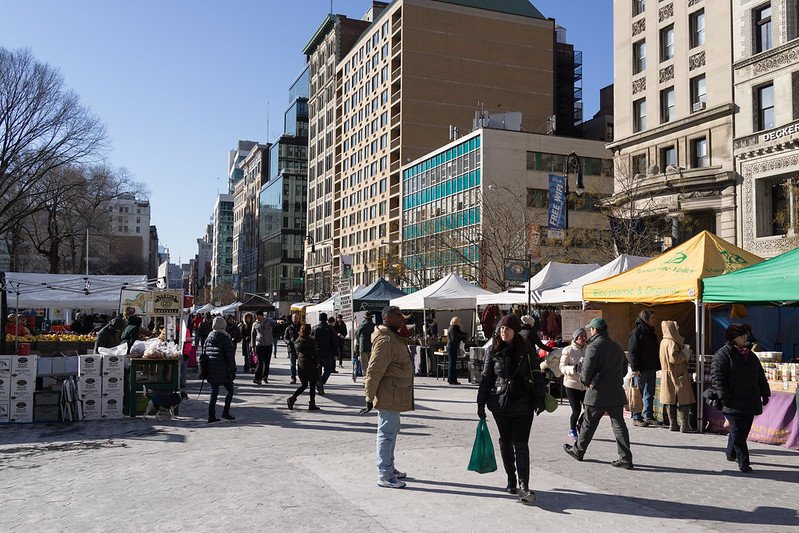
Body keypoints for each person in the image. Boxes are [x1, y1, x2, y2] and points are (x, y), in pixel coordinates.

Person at [476, 314, 545, 504]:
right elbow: (486, 378)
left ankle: (524, 485)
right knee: (506, 442)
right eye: (501, 328)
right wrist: (480, 403)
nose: (503, 331)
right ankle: (511, 478)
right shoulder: (492, 350)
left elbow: (537, 374)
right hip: (500, 403)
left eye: (507, 329)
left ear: (515, 331)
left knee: (521, 444)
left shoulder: (526, 349)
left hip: (523, 403)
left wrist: (540, 397)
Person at [564, 317, 633, 469]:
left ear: (595, 330)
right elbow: (624, 367)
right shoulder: (616, 346)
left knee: (588, 424)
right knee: (619, 426)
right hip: (615, 392)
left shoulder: (593, 347)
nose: (590, 332)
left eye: (591, 329)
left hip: (597, 393)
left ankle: (578, 451)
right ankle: (626, 458)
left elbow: (586, 373)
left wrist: (585, 381)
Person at [363, 306, 414, 489]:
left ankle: (389, 468)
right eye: (399, 317)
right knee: (386, 433)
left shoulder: (392, 336)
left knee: (391, 432)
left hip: (394, 393)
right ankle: (384, 474)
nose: (402, 320)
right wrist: (369, 396)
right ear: (388, 318)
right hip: (388, 393)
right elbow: (374, 370)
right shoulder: (385, 340)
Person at [711, 323, 770, 473]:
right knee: (738, 432)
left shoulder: (751, 355)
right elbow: (717, 378)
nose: (745, 338)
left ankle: (730, 453)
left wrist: (765, 393)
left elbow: (760, 376)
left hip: (749, 400)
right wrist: (724, 398)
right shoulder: (722, 355)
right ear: (733, 338)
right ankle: (743, 462)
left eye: (746, 335)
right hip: (732, 401)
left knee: (742, 432)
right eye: (742, 335)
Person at [659, 320, 696, 433]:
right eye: (676, 327)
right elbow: (674, 358)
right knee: (683, 399)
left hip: (668, 374)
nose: (678, 328)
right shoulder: (671, 343)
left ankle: (673, 424)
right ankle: (684, 425)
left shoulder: (663, 341)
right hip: (677, 374)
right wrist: (686, 352)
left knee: (671, 400)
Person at [628, 309, 660, 427]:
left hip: (651, 367)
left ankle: (649, 416)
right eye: (652, 318)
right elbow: (632, 352)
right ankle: (637, 417)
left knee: (650, 393)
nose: (654, 320)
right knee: (638, 393)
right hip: (640, 369)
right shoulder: (636, 333)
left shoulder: (651, 332)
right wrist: (635, 368)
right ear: (646, 319)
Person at [203, 316, 237, 423]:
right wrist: (233, 369)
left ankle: (211, 415)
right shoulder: (225, 338)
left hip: (211, 369)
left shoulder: (209, 337)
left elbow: (204, 354)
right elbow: (230, 356)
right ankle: (225, 412)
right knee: (230, 390)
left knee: (214, 393)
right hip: (223, 370)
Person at [559, 328, 588, 440]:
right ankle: (572, 429)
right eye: (581, 336)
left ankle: (580, 424)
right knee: (576, 410)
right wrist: (573, 369)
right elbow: (562, 367)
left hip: (585, 385)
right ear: (576, 338)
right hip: (572, 384)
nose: (584, 339)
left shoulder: (589, 349)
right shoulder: (568, 350)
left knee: (589, 409)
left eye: (585, 336)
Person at [287, 324, 321, 411]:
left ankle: (293, 398)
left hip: (301, 365)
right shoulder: (310, 341)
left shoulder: (298, 341)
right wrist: (316, 363)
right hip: (311, 365)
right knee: (312, 385)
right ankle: (312, 403)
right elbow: (314, 354)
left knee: (304, 385)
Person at [312, 312, 338, 394]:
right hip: (327, 353)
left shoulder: (314, 328)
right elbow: (334, 341)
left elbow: (311, 341)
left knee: (318, 371)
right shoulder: (330, 328)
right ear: (326, 319)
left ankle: (320, 385)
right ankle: (321, 384)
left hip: (316, 353)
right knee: (328, 370)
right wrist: (335, 353)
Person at [251, 310, 280, 385]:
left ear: (261, 315)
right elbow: (253, 335)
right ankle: (257, 378)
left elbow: (274, 322)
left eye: (257, 316)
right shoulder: (255, 324)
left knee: (267, 362)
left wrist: (278, 321)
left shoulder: (268, 321)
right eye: (255, 316)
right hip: (259, 345)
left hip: (268, 344)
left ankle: (265, 377)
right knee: (260, 362)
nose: (256, 317)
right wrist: (252, 346)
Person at [354, 312, 376, 383]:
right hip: (372, 346)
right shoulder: (375, 326)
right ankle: (371, 376)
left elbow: (356, 335)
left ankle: (366, 377)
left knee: (364, 363)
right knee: (371, 362)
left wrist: (358, 342)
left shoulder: (362, 325)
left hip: (363, 346)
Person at [446, 317, 467, 385]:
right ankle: (452, 380)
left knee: (451, 363)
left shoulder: (451, 327)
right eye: (459, 321)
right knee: (452, 363)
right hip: (453, 347)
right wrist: (461, 338)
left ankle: (451, 379)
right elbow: (454, 338)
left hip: (450, 346)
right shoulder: (454, 328)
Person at [284, 313, 301, 384]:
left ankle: (301, 377)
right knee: (292, 364)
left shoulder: (301, 327)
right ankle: (293, 378)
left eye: (297, 318)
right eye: (294, 318)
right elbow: (285, 337)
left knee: (301, 364)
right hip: (292, 348)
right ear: (292, 319)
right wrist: (289, 342)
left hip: (300, 349)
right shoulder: (289, 328)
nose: (295, 320)